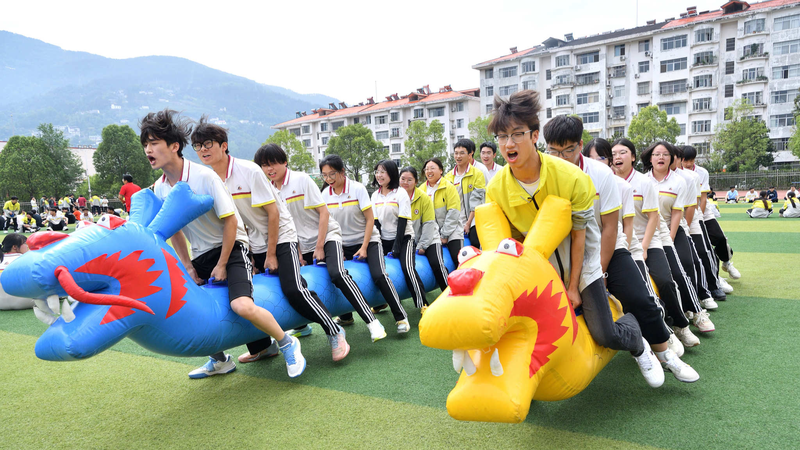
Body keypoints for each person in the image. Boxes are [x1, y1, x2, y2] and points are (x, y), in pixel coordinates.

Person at [486, 89, 664, 387]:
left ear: (534, 136)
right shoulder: (497, 188)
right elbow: (510, 244)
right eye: (502, 137)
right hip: (540, 270)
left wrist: (573, 286)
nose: (508, 144)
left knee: (604, 334)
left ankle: (636, 340)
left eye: (517, 134)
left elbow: (581, 236)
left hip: (583, 265)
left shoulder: (571, 177)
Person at [141, 109, 306, 379]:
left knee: (241, 305)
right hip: (201, 254)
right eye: (145, 144)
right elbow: (176, 232)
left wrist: (221, 264)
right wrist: (187, 266)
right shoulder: (160, 187)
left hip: (231, 248)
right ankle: (220, 360)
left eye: (154, 143)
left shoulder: (204, 177)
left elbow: (231, 222)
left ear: (174, 146)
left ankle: (287, 342)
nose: (148, 149)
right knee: (188, 308)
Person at [547, 120, 693, 385]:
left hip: (608, 250)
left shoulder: (601, 175)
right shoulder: (545, 173)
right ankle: (639, 343)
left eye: (567, 151)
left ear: (580, 145)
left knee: (639, 297)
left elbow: (610, 229)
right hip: (565, 255)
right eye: (553, 151)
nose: (560, 158)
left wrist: (601, 272)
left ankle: (664, 352)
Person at [253, 144, 381, 346]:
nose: (269, 169)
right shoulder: (269, 189)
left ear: (284, 162)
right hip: (302, 243)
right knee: (298, 284)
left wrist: (320, 246)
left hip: (327, 235)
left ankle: (371, 321)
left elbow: (324, 213)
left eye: (273, 163)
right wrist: (299, 251)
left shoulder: (301, 180)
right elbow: (288, 225)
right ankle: (302, 326)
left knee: (337, 274)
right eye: (264, 165)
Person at [609, 138, 701, 350]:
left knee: (665, 280)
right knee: (639, 288)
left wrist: (644, 246)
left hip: (650, 240)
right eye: (613, 154)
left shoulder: (644, 182)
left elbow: (653, 218)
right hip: (624, 243)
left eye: (623, 152)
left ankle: (681, 325)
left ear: (632, 156)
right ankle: (661, 329)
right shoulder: (607, 182)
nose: (617, 157)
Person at [318, 154, 409, 329]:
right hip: (342, 243)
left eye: (332, 174)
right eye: (324, 175)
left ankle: (401, 316)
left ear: (342, 172)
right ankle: (345, 317)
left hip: (369, 240)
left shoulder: (357, 188)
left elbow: (370, 220)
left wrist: (365, 247)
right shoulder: (324, 194)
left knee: (379, 275)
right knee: (335, 276)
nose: (328, 179)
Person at [642, 143, 714, 334]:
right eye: (656, 154)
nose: (661, 157)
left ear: (672, 158)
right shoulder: (642, 180)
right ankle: (675, 312)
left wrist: (671, 237)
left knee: (684, 265)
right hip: (648, 230)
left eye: (665, 154)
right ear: (650, 158)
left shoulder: (679, 181)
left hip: (671, 228)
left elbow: (677, 213)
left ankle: (697, 312)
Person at [371, 159, 426, 325]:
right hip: (384, 239)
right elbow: (376, 223)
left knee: (407, 268)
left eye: (383, 172)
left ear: (391, 174)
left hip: (404, 238)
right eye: (377, 172)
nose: (379, 175)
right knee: (377, 271)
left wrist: (396, 247)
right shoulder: (375, 195)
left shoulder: (400, 193)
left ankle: (423, 304)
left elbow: (403, 221)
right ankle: (381, 302)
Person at [400, 166, 449, 292]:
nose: (406, 182)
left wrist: (422, 245)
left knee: (437, 264)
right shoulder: (395, 198)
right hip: (409, 240)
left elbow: (428, 224)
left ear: (416, 182)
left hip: (430, 239)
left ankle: (451, 293)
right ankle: (382, 302)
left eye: (409, 180)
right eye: (403, 179)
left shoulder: (423, 198)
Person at [444, 139, 486, 249]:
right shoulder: (448, 177)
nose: (458, 156)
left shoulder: (477, 174)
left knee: (475, 240)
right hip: (455, 219)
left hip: (473, 218)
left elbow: (476, 202)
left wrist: (468, 223)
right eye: (456, 153)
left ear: (470, 155)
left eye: (462, 153)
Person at [423, 158, 463, 267]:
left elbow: (453, 213)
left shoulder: (449, 187)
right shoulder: (421, 190)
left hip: (452, 230)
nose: (429, 171)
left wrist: (444, 234)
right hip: (432, 232)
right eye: (426, 169)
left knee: (458, 258)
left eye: (432, 168)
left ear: (441, 170)